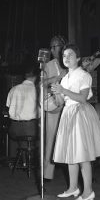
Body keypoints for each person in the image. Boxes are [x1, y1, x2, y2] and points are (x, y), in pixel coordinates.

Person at [51, 44, 100, 200]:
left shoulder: (83, 75)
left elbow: (83, 98)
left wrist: (63, 91)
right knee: (71, 154)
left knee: (83, 155)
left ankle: (88, 191)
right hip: (68, 113)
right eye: (64, 55)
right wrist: (56, 93)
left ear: (77, 58)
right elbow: (61, 101)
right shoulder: (65, 78)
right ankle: (73, 188)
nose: (66, 57)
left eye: (70, 54)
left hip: (80, 113)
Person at [43, 35, 67, 181]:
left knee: (72, 140)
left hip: (70, 105)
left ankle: (78, 175)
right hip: (53, 106)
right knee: (50, 140)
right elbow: (43, 83)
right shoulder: (48, 65)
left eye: (55, 46)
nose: (52, 50)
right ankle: (47, 174)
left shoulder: (70, 60)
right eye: (51, 47)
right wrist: (57, 78)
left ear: (63, 46)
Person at [6, 61, 39, 165]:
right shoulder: (37, 90)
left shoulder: (13, 89)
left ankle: (18, 159)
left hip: (15, 129)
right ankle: (37, 162)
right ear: (36, 76)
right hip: (31, 129)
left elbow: (8, 108)